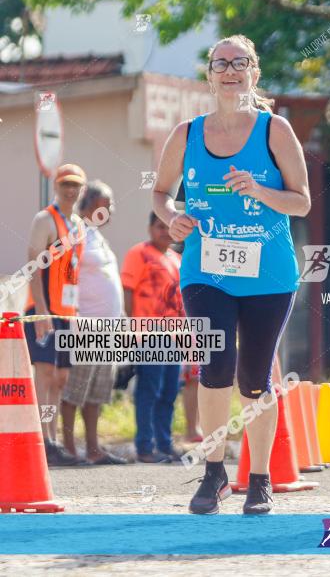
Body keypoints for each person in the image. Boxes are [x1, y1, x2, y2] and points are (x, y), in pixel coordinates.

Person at [152, 34, 310, 515]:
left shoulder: (275, 130)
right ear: (209, 74)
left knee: (255, 377)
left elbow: (301, 200)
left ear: (254, 73)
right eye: (221, 63)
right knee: (214, 365)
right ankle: (214, 473)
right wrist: (171, 216)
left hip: (269, 272)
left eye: (240, 62)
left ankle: (258, 478)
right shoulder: (186, 134)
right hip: (206, 269)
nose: (230, 70)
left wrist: (261, 191)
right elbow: (161, 193)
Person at [23, 163, 87, 466]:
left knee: (61, 377)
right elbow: (34, 265)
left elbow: (72, 272)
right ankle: (42, 441)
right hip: (44, 310)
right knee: (45, 373)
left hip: (66, 312)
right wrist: (43, 311)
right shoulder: (45, 219)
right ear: (56, 187)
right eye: (65, 184)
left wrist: (73, 313)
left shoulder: (77, 224)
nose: (70, 190)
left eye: (75, 184)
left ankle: (53, 439)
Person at [59, 180, 128, 465]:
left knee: (97, 392)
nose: (112, 208)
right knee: (75, 390)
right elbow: (64, 275)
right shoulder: (74, 233)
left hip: (109, 328)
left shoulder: (97, 236)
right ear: (92, 205)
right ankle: (68, 448)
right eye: (107, 203)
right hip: (84, 326)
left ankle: (93, 447)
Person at [121, 213, 186, 464]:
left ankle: (165, 444)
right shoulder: (139, 253)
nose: (165, 232)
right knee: (149, 390)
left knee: (169, 391)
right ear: (150, 228)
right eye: (160, 226)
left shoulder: (177, 260)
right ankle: (145, 447)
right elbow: (128, 290)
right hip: (148, 334)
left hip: (174, 336)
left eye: (168, 227)